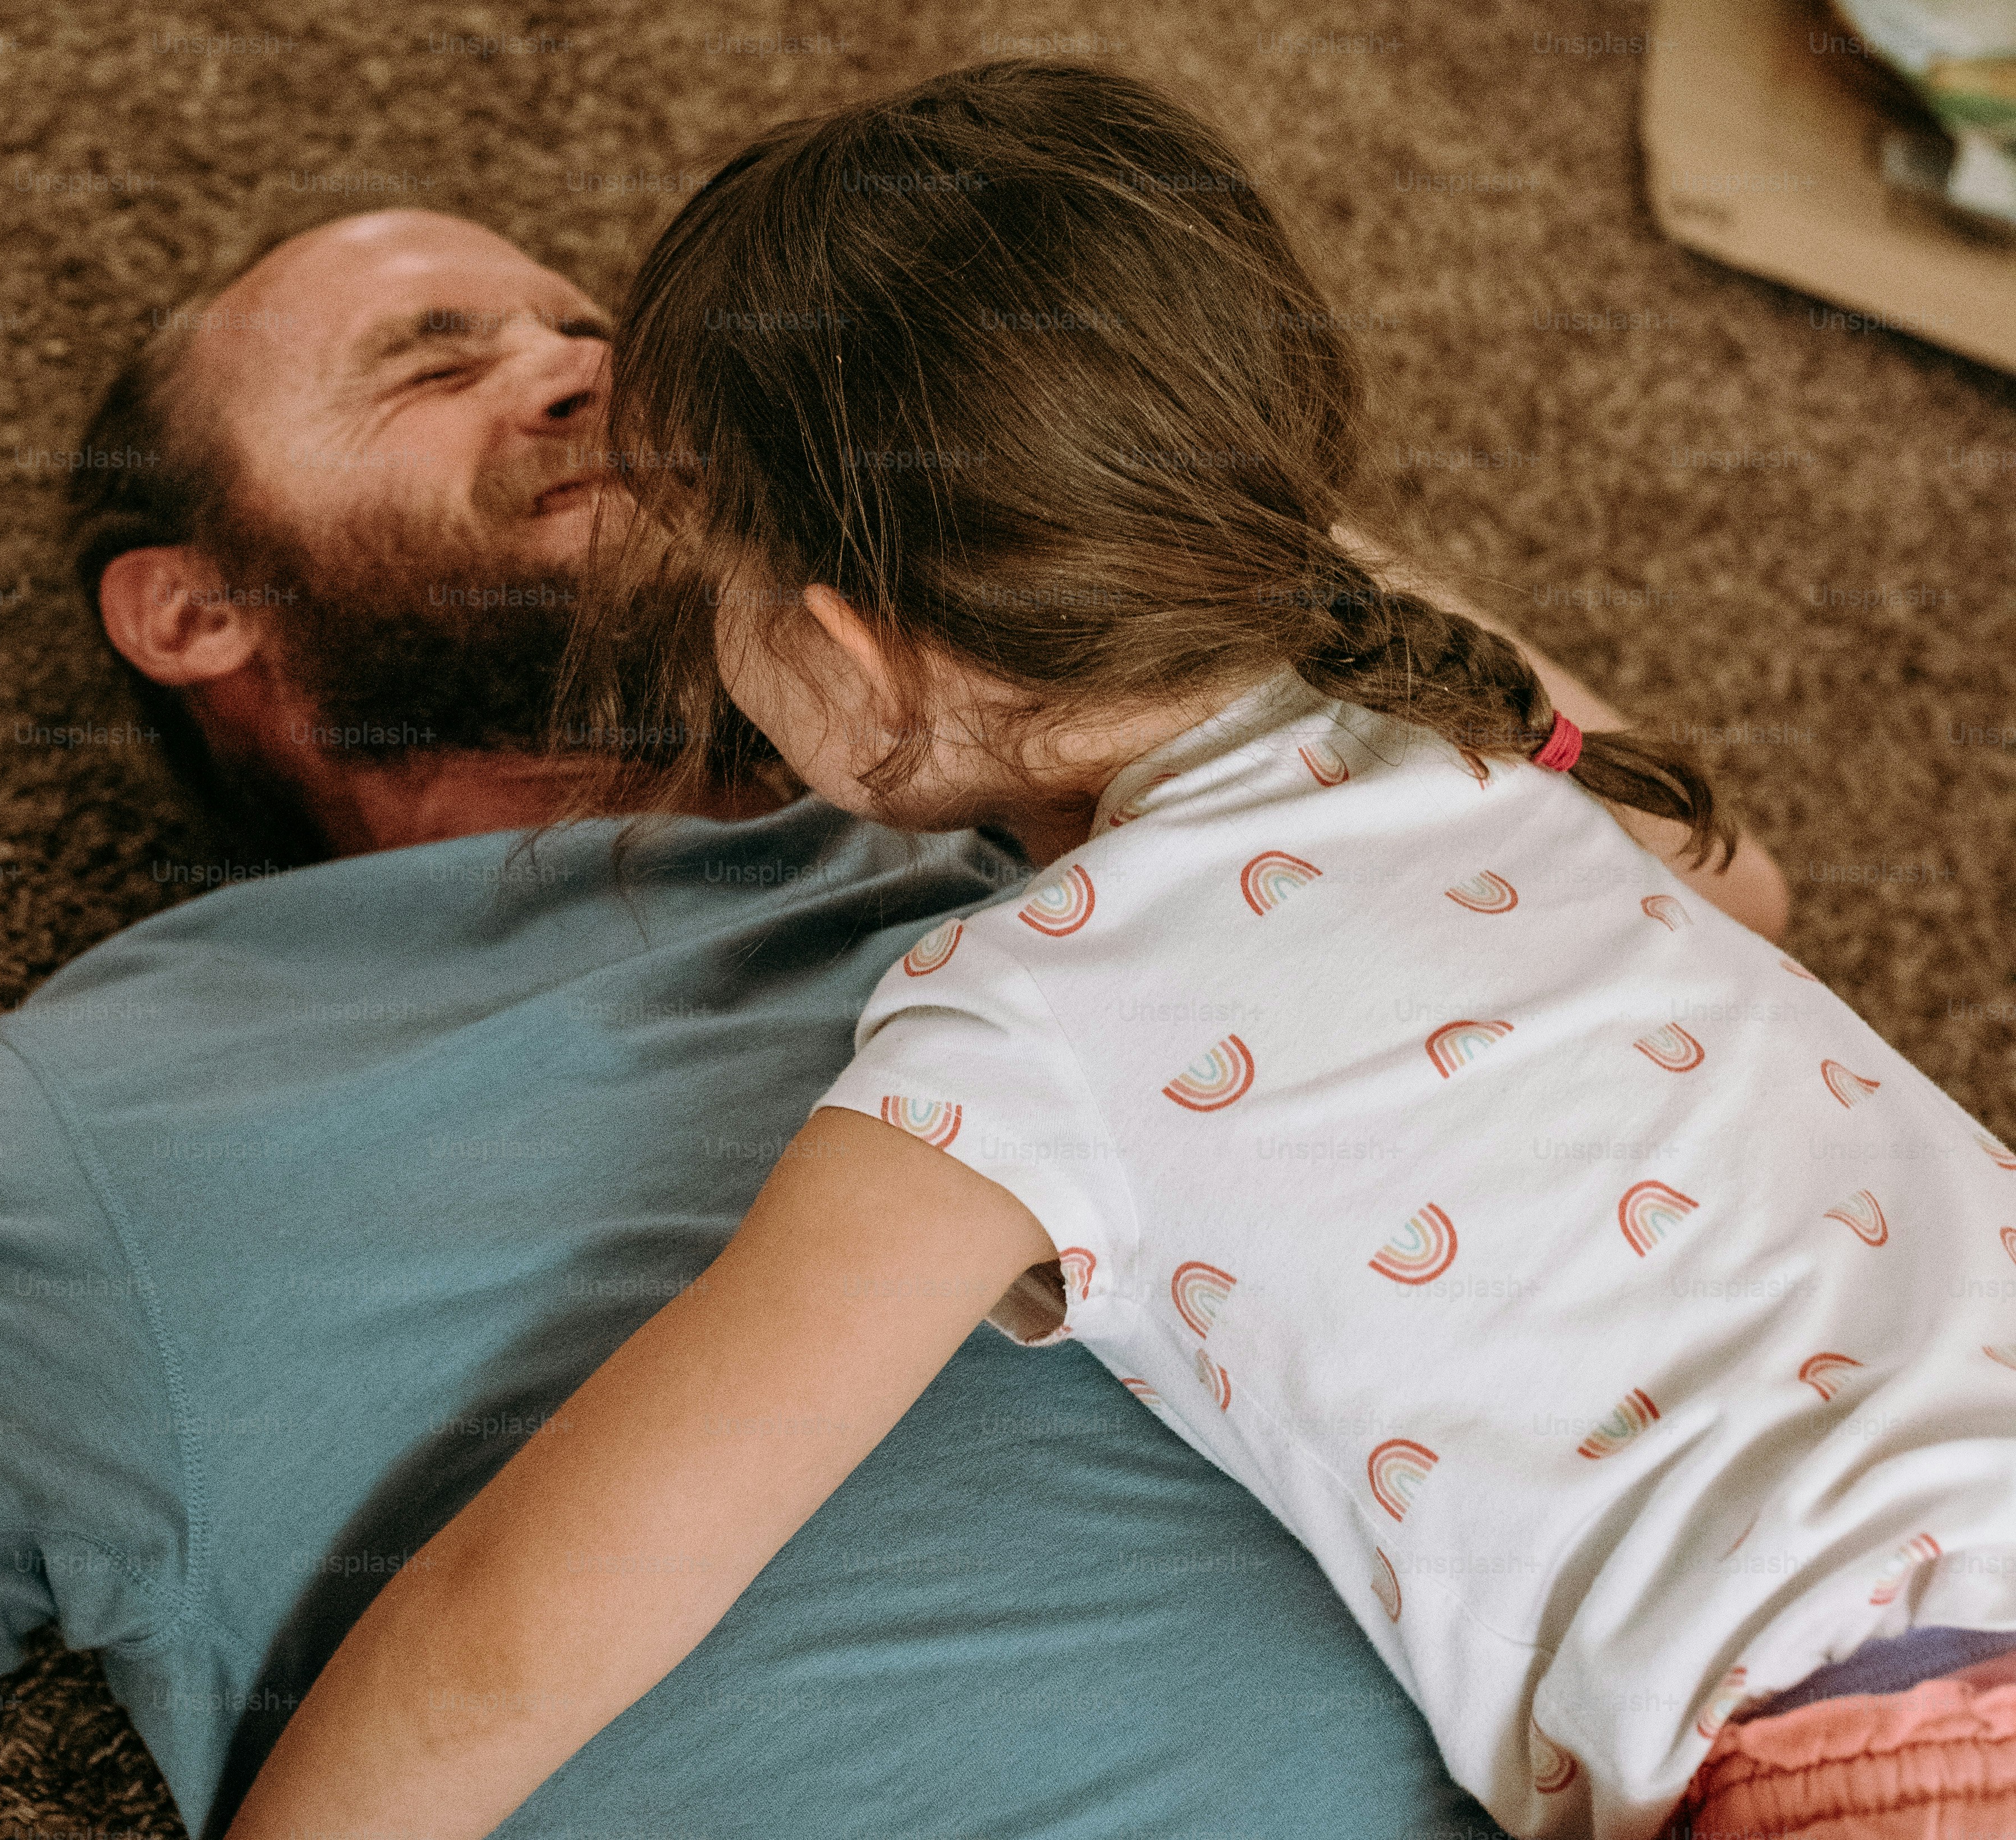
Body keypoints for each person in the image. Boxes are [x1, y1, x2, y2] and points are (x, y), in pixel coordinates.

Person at [0, 190, 1788, 1837]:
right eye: (435, 360)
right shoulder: (144, 1103)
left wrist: (1052, 486)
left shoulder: (1120, 791)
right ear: (194, 612)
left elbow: (1688, 886)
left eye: (605, 331)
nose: (581, 371)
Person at [218, 63, 2015, 1840]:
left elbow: (525, 1627)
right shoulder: (1446, 720)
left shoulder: (1024, 1028)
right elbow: (1746, 886)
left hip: (1887, 1729)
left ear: (846, 645)